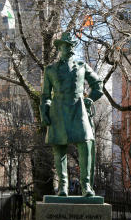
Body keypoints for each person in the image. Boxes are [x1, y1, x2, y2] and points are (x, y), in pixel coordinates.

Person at [40, 32, 103, 197]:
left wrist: (90, 99)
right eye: (65, 45)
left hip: (78, 110)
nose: (69, 48)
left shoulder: (82, 66)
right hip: (58, 112)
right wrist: (44, 112)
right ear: (59, 48)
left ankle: (86, 186)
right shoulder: (50, 70)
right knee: (59, 150)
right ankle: (62, 187)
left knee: (86, 144)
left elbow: (98, 85)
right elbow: (45, 95)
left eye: (71, 45)